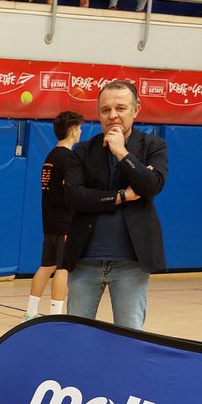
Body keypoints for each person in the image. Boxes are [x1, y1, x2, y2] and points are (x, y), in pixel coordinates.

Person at [63, 81, 167, 330]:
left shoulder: (153, 146)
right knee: (76, 334)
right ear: (98, 114)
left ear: (135, 110)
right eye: (105, 109)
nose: (112, 115)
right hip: (84, 261)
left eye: (120, 108)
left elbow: (151, 186)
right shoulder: (82, 150)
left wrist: (122, 153)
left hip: (132, 264)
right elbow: (75, 197)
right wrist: (121, 196)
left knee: (129, 336)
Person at [24, 110, 83, 321]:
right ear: (73, 131)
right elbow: (70, 190)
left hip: (49, 221)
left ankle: (30, 312)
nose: (81, 132)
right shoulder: (68, 158)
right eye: (79, 128)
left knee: (47, 265)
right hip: (66, 222)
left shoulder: (50, 156)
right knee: (63, 268)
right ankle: (56, 314)